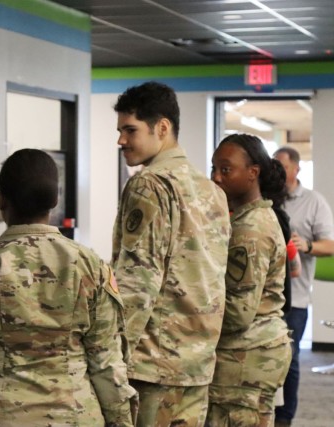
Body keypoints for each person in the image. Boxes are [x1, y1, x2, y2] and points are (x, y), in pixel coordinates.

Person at [0, 149, 137, 427]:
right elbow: (107, 362)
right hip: (76, 416)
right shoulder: (91, 266)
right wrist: (121, 421)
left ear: (2, 200)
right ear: (55, 201)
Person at [111, 81, 231, 426]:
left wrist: (111, 356)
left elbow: (138, 281)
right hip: (197, 361)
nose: (121, 140)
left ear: (162, 128)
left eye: (130, 130)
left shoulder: (150, 184)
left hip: (153, 364)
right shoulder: (211, 190)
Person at [207, 134, 292, 426]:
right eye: (214, 169)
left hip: (244, 358)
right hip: (251, 354)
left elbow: (237, 313)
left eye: (226, 169)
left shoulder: (249, 230)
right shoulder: (250, 219)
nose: (217, 177)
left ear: (253, 172)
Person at [273, 146, 334, 426]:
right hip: (263, 298)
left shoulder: (313, 201)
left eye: (282, 166)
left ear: (296, 169)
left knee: (291, 360)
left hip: (294, 298)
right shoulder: (265, 198)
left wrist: (306, 245)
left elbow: (329, 245)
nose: (276, 171)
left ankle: (285, 418)